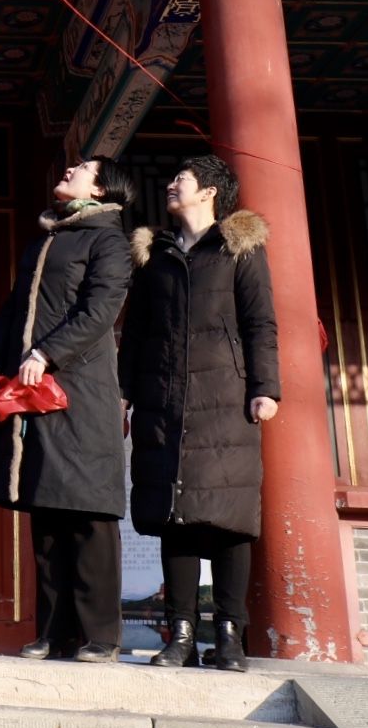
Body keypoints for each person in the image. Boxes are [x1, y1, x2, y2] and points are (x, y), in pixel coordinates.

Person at [120, 154, 280, 673]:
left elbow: (261, 323)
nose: (171, 184)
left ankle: (229, 636)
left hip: (227, 400)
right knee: (175, 517)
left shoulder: (240, 250)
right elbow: (136, 333)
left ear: (210, 192)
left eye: (180, 179)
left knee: (231, 519)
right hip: (164, 400)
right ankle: (182, 634)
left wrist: (265, 387)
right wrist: (125, 392)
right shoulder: (156, 256)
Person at [0, 156, 135, 663]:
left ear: (104, 187)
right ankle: (53, 630)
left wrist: (48, 354)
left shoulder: (109, 240)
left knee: (87, 514)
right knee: (45, 510)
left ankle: (100, 635)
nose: (67, 169)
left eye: (82, 168)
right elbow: (15, 308)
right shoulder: (47, 237)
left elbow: (99, 310)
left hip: (80, 389)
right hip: (32, 387)